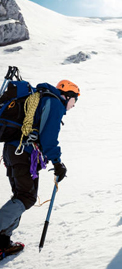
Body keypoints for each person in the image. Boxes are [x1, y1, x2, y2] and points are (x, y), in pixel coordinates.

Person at [0, 80, 80, 259]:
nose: (73, 106)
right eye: (74, 101)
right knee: (25, 197)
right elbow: (48, 138)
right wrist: (57, 162)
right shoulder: (54, 103)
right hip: (22, 154)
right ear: (67, 96)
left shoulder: (42, 98)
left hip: (13, 151)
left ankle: (3, 243)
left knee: (21, 196)